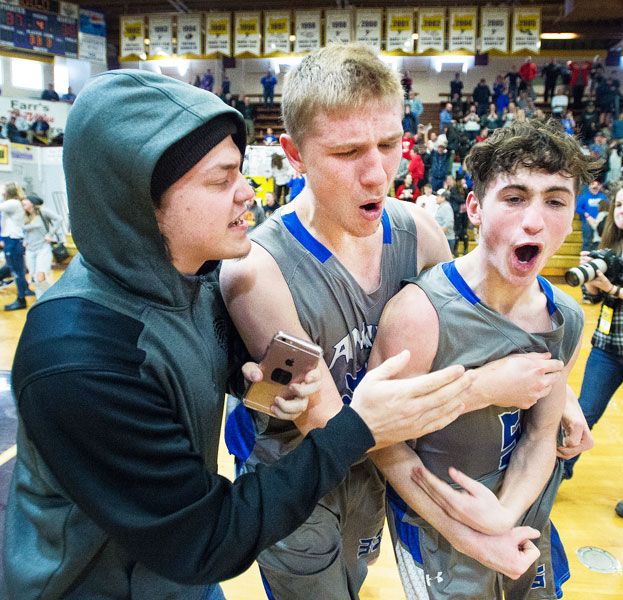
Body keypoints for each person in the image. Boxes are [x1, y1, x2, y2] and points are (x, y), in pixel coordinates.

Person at [3, 68, 468, 600]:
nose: (248, 193)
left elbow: (233, 377)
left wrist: (260, 387)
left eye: (239, 173)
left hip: (175, 582)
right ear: (139, 200)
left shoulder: (191, 281)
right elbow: (207, 539)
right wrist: (357, 426)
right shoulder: (78, 358)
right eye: (221, 181)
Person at [220, 43, 580, 600]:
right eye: (347, 152)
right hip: (298, 479)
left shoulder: (417, 231)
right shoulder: (255, 271)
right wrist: (474, 538)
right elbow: (332, 426)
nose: (376, 173)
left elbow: (476, 326)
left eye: (389, 144)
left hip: (378, 476)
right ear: (294, 154)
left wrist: (557, 394)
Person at [371, 118, 600, 600]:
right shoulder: (421, 312)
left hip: (525, 515)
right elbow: (384, 445)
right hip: (436, 526)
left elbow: (541, 431)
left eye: (556, 200)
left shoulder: (568, 317)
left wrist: (505, 511)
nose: (535, 220)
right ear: (474, 208)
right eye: (515, 198)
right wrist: (472, 533)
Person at [563, 184, 623, 479]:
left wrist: (612, 288)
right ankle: (558, 472)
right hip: (608, 348)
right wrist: (591, 282)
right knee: (584, 413)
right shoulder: (610, 248)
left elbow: (611, 292)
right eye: (620, 205)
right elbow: (597, 299)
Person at [21, 194, 62, 298]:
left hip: (43, 249)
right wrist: (25, 240)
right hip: (30, 250)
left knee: (40, 276)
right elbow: (25, 230)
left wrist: (50, 234)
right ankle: (42, 299)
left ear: (32, 202)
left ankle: (49, 297)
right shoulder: (25, 215)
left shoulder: (42, 211)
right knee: (33, 278)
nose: (23, 202)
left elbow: (58, 219)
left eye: (26, 200)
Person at [0, 181, 31, 310]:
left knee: (16, 271)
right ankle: (24, 292)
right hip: (12, 240)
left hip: (13, 241)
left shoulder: (12, 203)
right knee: (16, 269)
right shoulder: (14, 203)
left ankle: (21, 300)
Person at [577, 179, 608, 251]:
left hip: (600, 222)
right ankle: (585, 259)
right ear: (589, 186)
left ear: (600, 187)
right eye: (593, 187)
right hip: (587, 222)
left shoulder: (603, 197)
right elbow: (577, 208)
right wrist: (584, 213)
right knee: (586, 241)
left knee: (599, 241)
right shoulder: (584, 197)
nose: (595, 189)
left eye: (597, 187)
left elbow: (607, 207)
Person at [433, 188, 455, 253]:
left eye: (438, 196)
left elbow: (449, 223)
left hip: (446, 239)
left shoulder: (446, 207)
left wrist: (439, 235)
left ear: (443, 198)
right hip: (444, 239)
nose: (436, 198)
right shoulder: (443, 207)